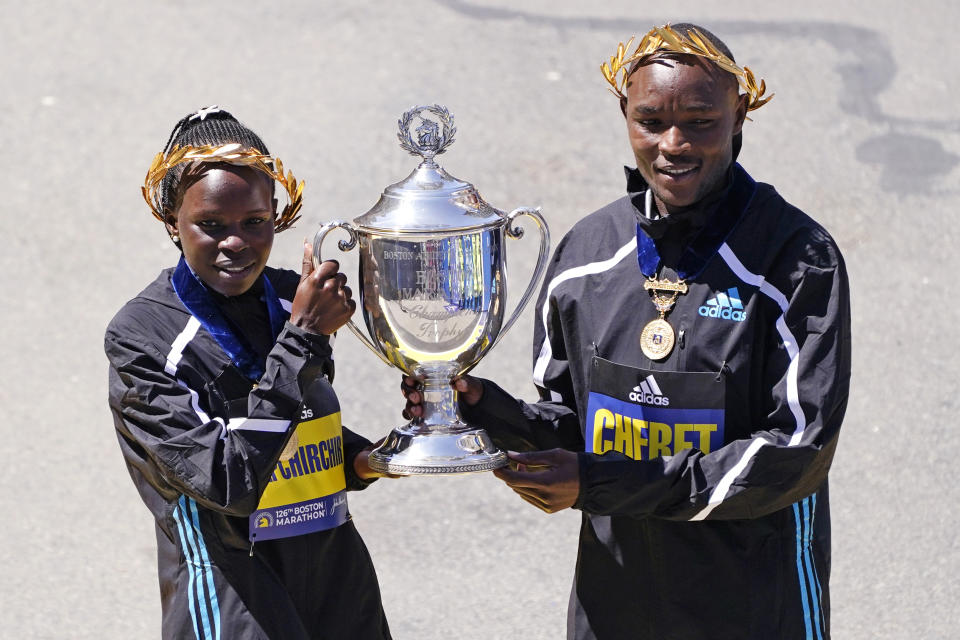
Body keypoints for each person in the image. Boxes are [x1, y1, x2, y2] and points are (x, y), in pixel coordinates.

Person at [404, 23, 850, 639]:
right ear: (624, 113)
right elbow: (569, 424)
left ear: (739, 113)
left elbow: (794, 453)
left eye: (700, 121)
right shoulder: (585, 257)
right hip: (614, 603)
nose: (674, 143)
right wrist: (484, 411)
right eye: (651, 120)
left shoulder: (795, 259)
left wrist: (607, 482)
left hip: (752, 604)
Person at [106, 107, 393, 639]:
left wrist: (365, 459)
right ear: (173, 221)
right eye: (210, 225)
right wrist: (303, 338)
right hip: (233, 591)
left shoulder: (290, 297)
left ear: (277, 215)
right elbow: (227, 481)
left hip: (336, 576)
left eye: (254, 222)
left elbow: (296, 424)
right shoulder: (142, 335)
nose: (235, 243)